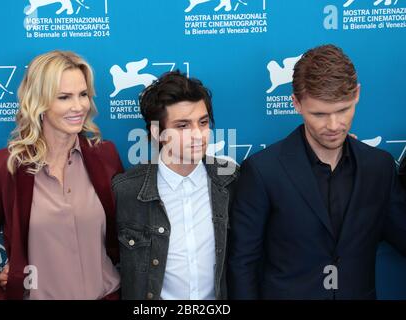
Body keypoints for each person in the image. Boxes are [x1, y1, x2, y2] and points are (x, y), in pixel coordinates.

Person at [228, 44, 406, 299]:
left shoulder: (379, 167)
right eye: (320, 114)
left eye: (343, 110)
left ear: (357, 94)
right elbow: (243, 264)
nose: (334, 125)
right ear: (296, 103)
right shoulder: (262, 171)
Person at [0, 50, 123, 300]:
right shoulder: (1, 167)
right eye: (64, 97)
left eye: (83, 94)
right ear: (39, 103)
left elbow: (127, 232)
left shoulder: (105, 155)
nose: (79, 106)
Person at [112, 70, 239, 300]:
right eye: (182, 126)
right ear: (156, 132)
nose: (197, 135)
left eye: (202, 122)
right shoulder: (126, 191)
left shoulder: (230, 180)